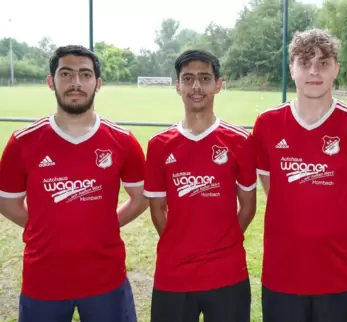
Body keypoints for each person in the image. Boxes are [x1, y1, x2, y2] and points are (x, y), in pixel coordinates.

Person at [0, 45, 147, 322]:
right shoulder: (23, 142)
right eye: (66, 74)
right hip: (43, 279)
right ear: (50, 81)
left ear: (98, 83)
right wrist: (44, 224)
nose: (76, 83)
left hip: (106, 279)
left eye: (85, 74)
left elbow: (140, 197)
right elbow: (7, 202)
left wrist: (106, 223)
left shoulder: (123, 141)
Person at [252, 28, 347, 322]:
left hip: (338, 272)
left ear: (336, 69)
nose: (314, 71)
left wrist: (332, 228)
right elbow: (274, 189)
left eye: (323, 63)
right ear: (292, 68)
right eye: (304, 62)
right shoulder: (268, 124)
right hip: (282, 271)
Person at [143, 49, 257, 322]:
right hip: (174, 274)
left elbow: (249, 206)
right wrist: (180, 242)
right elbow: (157, 209)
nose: (196, 86)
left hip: (227, 272)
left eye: (205, 78)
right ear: (178, 86)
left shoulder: (240, 141)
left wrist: (224, 239)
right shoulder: (159, 145)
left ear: (218, 85)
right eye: (189, 79)